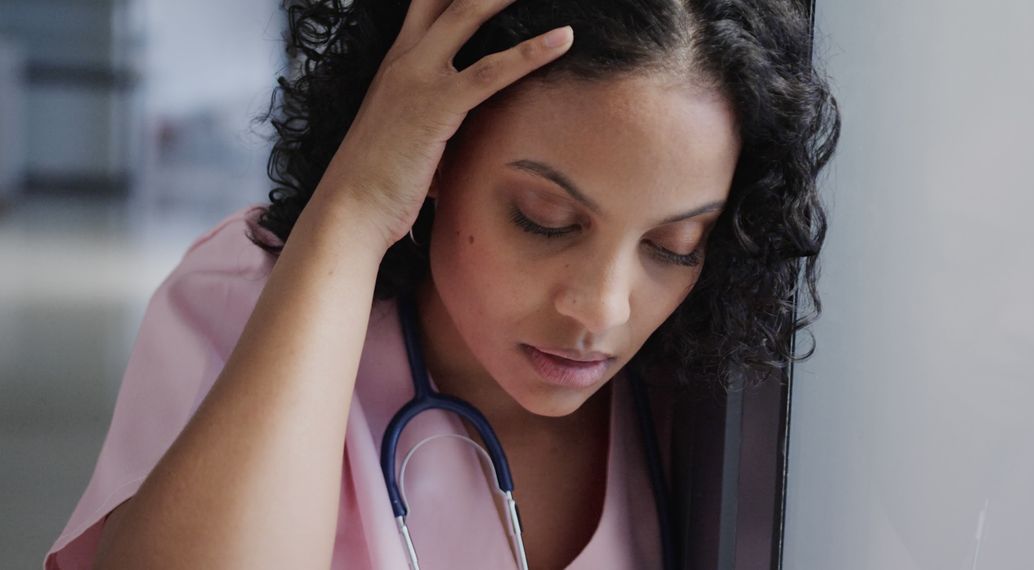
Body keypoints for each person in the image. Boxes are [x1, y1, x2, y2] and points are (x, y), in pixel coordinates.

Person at [44, 0, 839, 568]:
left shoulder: (699, 391)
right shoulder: (242, 295)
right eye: (544, 218)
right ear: (431, 154)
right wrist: (354, 211)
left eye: (674, 244)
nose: (602, 307)